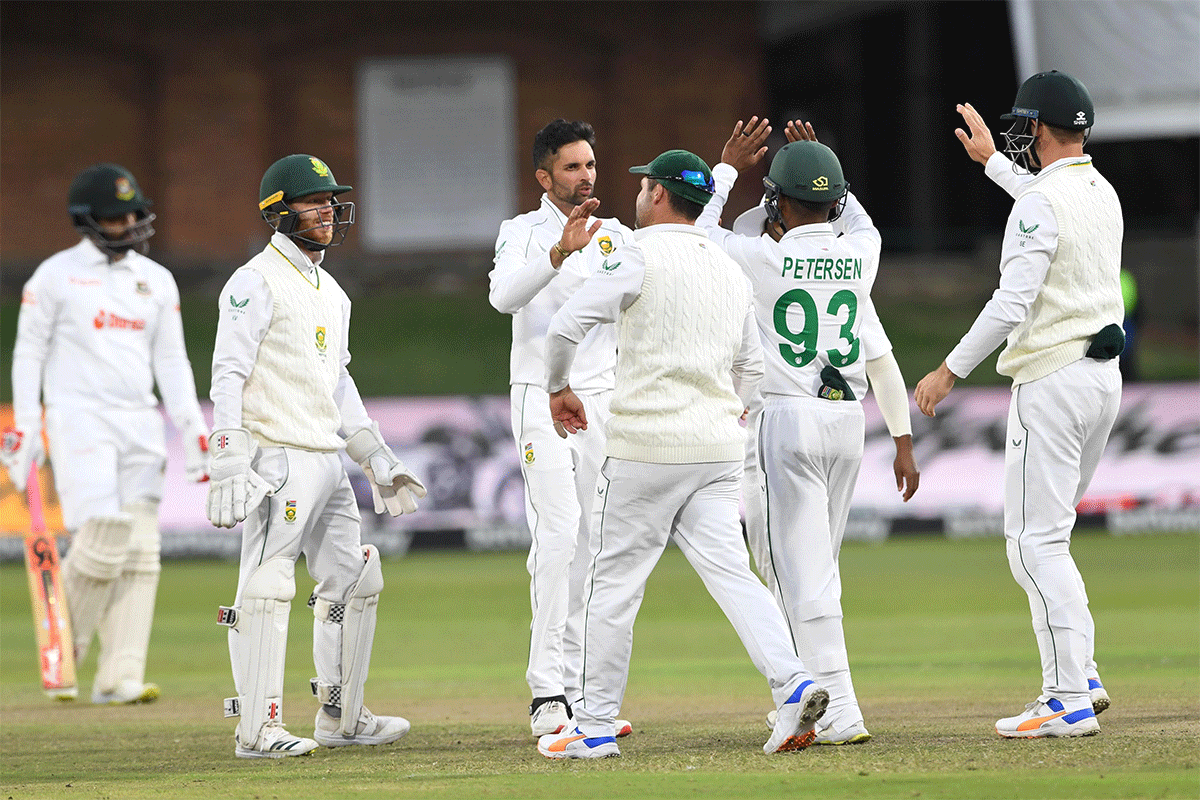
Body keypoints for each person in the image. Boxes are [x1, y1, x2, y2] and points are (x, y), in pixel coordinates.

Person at [537, 149, 829, 760]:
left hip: (645, 448)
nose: (638, 195)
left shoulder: (636, 254)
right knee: (734, 576)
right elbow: (752, 366)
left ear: (658, 195)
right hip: (717, 449)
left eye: (643, 185)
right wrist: (735, 409)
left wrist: (559, 387)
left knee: (611, 587)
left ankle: (591, 726)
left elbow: (565, 327)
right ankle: (794, 681)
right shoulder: (725, 265)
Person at [695, 119, 920, 746]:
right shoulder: (862, 250)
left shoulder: (764, 255)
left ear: (776, 201)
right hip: (847, 421)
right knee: (817, 570)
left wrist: (727, 168)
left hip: (785, 417)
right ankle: (807, 702)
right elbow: (858, 220)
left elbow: (699, 234)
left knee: (798, 577)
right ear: (839, 201)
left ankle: (837, 707)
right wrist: (826, 160)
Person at [915, 71, 1123, 738]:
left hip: (1054, 381)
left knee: (1034, 543)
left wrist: (950, 370)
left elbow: (1013, 300)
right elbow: (1043, 203)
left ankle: (1065, 697)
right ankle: (1080, 676)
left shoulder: (1041, 201)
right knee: (1047, 538)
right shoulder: (1101, 189)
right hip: (1101, 380)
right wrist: (995, 165)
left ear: (1037, 127)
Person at [208, 154, 426, 758]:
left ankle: (341, 716)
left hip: (326, 457)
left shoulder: (330, 289)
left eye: (332, 200)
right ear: (279, 212)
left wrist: (375, 454)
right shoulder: (253, 281)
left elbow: (338, 381)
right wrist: (226, 454)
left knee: (355, 576)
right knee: (268, 586)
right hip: (276, 456)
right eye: (314, 201)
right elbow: (228, 371)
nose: (328, 210)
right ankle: (257, 729)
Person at [2, 163, 210, 704]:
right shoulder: (54, 277)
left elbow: (172, 359)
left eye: (133, 214)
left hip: (139, 420)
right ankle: (63, 655)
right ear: (87, 219)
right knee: (102, 537)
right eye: (115, 217)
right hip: (78, 419)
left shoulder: (156, 280)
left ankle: (120, 676)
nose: (128, 224)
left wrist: (191, 427)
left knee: (142, 551)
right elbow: (28, 353)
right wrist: (27, 426)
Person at [489, 119, 634, 738]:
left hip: (602, 400)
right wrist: (557, 254)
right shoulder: (521, 233)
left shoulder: (619, 235)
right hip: (538, 402)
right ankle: (546, 692)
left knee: (593, 543)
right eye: (572, 167)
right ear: (544, 176)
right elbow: (502, 298)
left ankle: (579, 693)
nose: (586, 177)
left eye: (591, 166)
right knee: (558, 535)